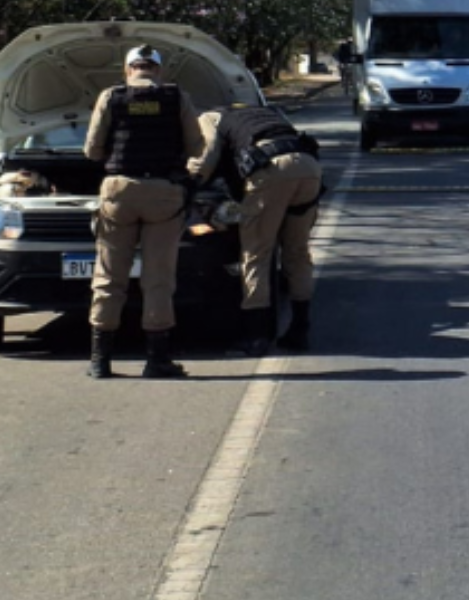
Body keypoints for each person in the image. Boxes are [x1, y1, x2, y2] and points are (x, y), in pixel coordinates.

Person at [83, 45, 205, 379]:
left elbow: (92, 150)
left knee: (108, 277)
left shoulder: (112, 96)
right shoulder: (176, 97)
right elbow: (198, 146)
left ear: (128, 70)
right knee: (158, 278)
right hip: (163, 194)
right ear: (158, 71)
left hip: (119, 192)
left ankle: (100, 361)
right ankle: (157, 360)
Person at [191, 104, 324, 355]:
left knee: (256, 254)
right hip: (309, 167)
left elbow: (206, 155)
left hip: (270, 170)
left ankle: (256, 337)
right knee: (297, 252)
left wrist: (190, 183)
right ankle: (300, 329)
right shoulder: (269, 111)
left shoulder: (209, 115)